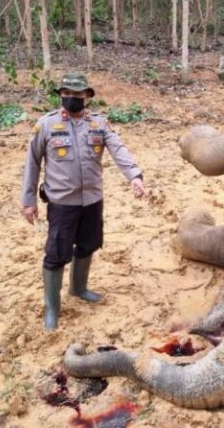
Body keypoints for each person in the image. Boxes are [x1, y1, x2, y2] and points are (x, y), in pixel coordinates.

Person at [21, 71, 146, 330]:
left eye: (77, 94)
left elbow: (118, 149)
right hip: (61, 202)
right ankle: (52, 309)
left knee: (88, 245)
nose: (72, 98)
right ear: (61, 95)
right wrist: (29, 200)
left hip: (92, 199)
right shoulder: (46, 125)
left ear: (87, 97)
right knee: (56, 254)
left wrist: (134, 176)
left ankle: (78, 289)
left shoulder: (99, 124)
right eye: (66, 94)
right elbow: (32, 164)